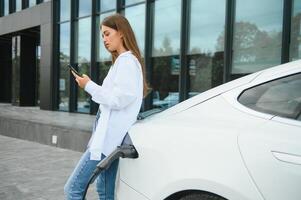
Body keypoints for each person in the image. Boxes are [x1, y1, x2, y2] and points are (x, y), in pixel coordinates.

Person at [64, 13, 148, 200]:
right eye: (102, 35)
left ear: (122, 33)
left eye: (107, 33)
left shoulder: (127, 62)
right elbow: (114, 96)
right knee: (105, 192)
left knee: (73, 190)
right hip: (111, 141)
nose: (104, 39)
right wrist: (90, 85)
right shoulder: (123, 62)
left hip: (107, 142)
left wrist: (89, 86)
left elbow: (118, 100)